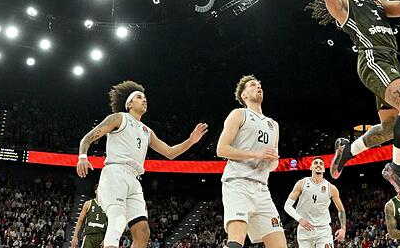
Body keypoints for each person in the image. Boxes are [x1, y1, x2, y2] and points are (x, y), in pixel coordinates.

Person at [283, 0, 400, 198]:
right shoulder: (343, 9)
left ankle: (348, 150)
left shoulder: (377, 3)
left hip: (391, 61)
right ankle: (398, 168)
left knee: (391, 127)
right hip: (373, 59)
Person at [76, 80, 208, 248]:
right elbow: (89, 137)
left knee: (143, 231)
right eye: (139, 97)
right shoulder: (119, 118)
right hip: (115, 173)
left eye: (145, 98)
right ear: (129, 104)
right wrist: (82, 157)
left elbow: (170, 153)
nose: (144, 100)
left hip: (134, 178)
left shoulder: (147, 131)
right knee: (117, 219)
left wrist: (191, 141)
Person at [216, 75, 286, 248]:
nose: (258, 87)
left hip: (262, 189)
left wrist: (272, 160)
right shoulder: (239, 114)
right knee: (236, 242)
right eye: (253, 85)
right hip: (238, 184)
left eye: (260, 85)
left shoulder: (273, 124)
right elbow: (221, 149)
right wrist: (257, 154)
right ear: (243, 95)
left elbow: (273, 164)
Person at [284, 157, 347, 248]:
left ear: (324, 169)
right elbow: (287, 206)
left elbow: (341, 210)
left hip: (323, 231)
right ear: (311, 167)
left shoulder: (331, 188)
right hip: (305, 230)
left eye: (321, 164)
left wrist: (343, 229)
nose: (318, 165)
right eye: (316, 163)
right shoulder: (301, 183)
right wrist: (300, 219)